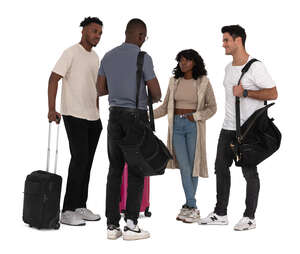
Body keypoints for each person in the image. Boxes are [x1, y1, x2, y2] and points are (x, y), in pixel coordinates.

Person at [200, 25, 278, 230]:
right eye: (223, 40)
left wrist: (246, 93)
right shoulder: (228, 68)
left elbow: (273, 93)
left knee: (249, 171)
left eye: (226, 40)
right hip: (228, 127)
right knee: (220, 167)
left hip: (248, 130)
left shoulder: (256, 67)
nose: (223, 44)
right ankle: (220, 213)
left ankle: (249, 217)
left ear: (238, 41)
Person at [97, 18, 161, 240]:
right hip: (136, 118)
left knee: (115, 170)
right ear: (140, 35)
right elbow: (157, 93)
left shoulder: (108, 56)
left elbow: (100, 89)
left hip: (114, 116)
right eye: (144, 36)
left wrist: (118, 88)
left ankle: (111, 227)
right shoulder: (144, 58)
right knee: (136, 169)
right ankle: (132, 225)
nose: (144, 40)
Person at [48, 17, 103, 226]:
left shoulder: (96, 57)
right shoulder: (70, 52)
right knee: (79, 159)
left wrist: (97, 111)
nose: (97, 35)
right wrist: (51, 109)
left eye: (99, 33)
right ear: (83, 31)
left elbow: (96, 87)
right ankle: (67, 210)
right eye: (94, 31)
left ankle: (80, 205)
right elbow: (53, 78)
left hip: (93, 118)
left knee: (86, 163)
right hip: (73, 114)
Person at [153, 49, 217, 223]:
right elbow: (165, 107)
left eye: (186, 61)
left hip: (193, 126)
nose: (183, 64)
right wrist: (147, 116)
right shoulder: (174, 82)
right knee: (185, 166)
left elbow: (212, 107)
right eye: (180, 61)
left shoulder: (203, 82)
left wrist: (195, 116)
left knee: (193, 166)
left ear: (194, 62)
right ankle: (191, 206)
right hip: (177, 127)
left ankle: (190, 206)